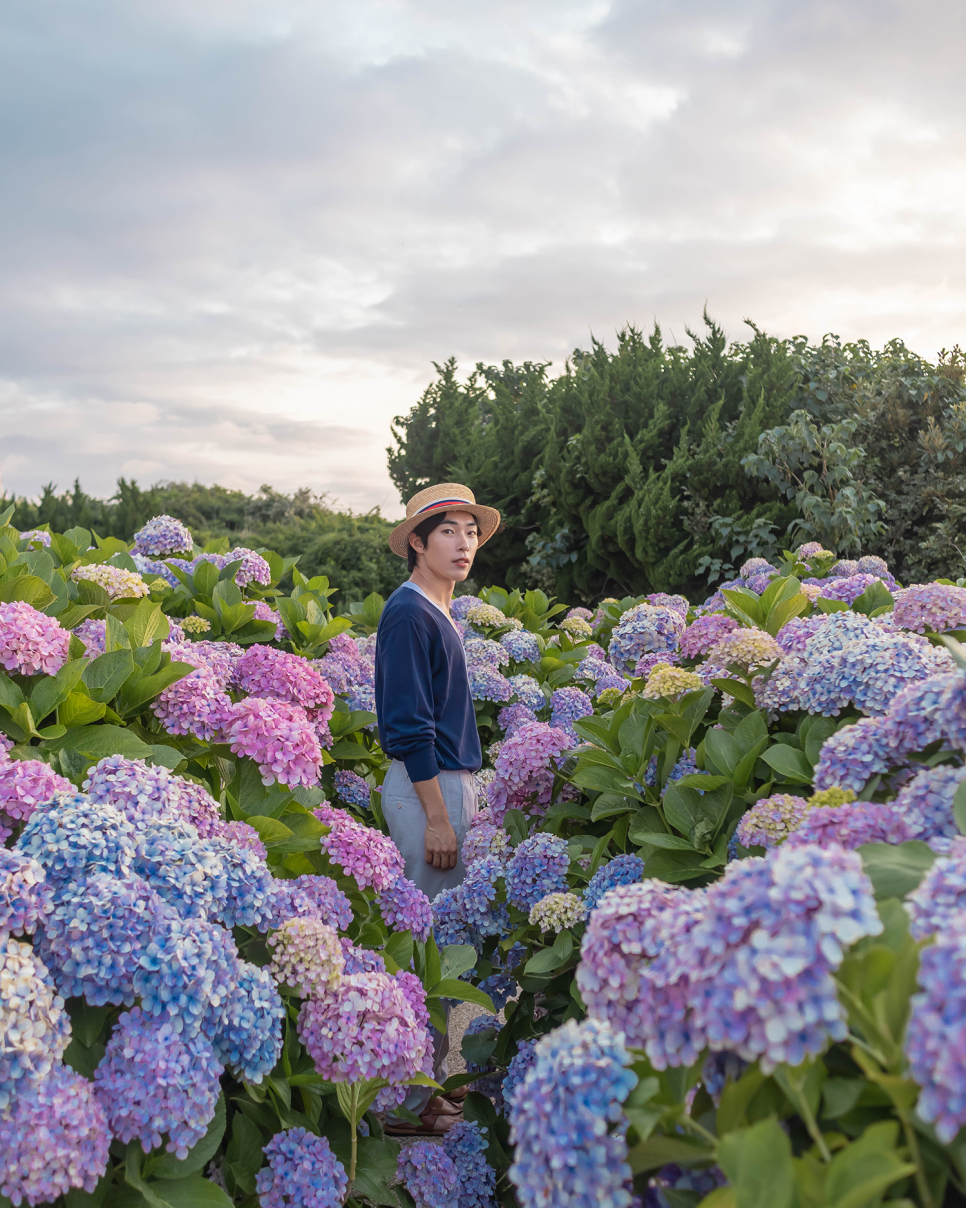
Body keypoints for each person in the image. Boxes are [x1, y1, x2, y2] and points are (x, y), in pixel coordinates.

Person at [374, 482, 501, 1135]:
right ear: (418, 542)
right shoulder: (409, 613)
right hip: (429, 789)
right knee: (425, 947)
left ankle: (421, 1095)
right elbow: (408, 726)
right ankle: (403, 1108)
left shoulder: (438, 610)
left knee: (438, 943)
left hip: (447, 787)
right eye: (448, 531)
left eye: (471, 532)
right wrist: (441, 817)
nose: (464, 543)